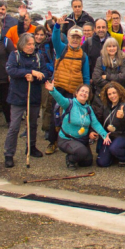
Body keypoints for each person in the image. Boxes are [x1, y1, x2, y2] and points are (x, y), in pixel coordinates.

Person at [3, 33, 52, 168]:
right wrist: (29, 72)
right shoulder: (15, 55)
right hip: (17, 95)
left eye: (32, 44)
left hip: (33, 95)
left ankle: (31, 147)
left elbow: (44, 74)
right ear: (22, 45)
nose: (31, 47)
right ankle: (8, 153)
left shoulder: (38, 56)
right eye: (28, 44)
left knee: (33, 124)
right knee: (14, 126)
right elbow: (11, 70)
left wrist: (35, 77)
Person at [46, 20, 91, 153]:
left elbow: (86, 76)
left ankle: (71, 139)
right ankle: (52, 142)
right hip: (59, 89)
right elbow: (55, 39)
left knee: (72, 116)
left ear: (81, 39)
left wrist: (86, 91)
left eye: (78, 37)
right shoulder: (62, 49)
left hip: (74, 91)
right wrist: (57, 26)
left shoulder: (83, 55)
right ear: (68, 37)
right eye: (73, 37)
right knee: (55, 115)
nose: (75, 40)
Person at [46, 81, 109, 169]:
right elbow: (60, 99)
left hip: (82, 140)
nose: (84, 93)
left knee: (87, 162)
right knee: (82, 152)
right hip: (67, 139)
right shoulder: (69, 104)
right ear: (76, 93)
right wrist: (53, 90)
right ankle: (70, 159)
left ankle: (76, 152)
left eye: (87, 92)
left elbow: (95, 123)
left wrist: (105, 135)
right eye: (82, 91)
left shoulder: (88, 108)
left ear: (89, 96)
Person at [97, 82, 125, 167]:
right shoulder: (104, 106)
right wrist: (94, 132)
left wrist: (123, 116)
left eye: (114, 93)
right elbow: (98, 120)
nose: (112, 96)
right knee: (102, 163)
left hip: (123, 135)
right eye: (109, 94)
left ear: (119, 93)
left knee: (115, 148)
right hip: (109, 136)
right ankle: (113, 154)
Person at [90, 37, 125, 115]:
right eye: (109, 46)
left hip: (118, 96)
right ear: (105, 48)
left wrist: (107, 76)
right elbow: (96, 78)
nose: (112, 48)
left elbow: (123, 76)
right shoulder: (100, 60)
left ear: (117, 47)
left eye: (114, 46)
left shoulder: (122, 59)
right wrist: (112, 85)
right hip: (101, 96)